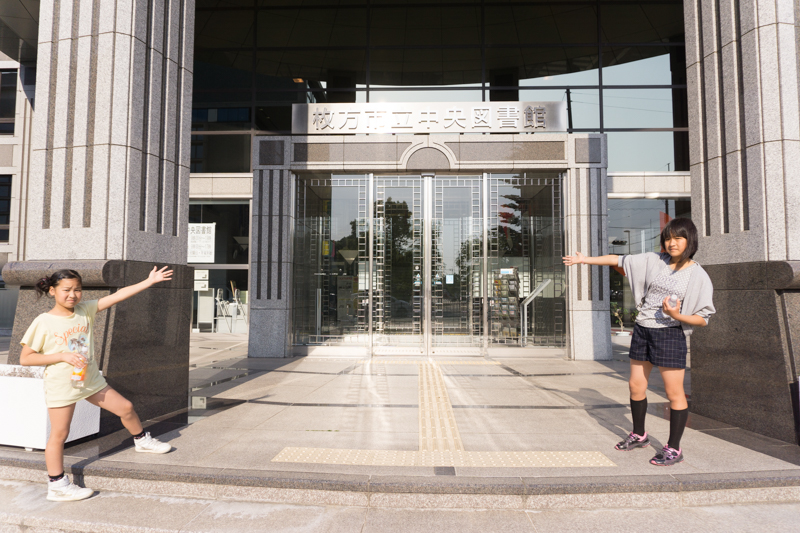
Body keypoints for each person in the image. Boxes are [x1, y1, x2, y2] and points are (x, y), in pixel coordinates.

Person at [563, 218, 714, 466]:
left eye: (678, 238)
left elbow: (703, 318)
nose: (672, 243)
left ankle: (674, 448)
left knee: (674, 392)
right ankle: (639, 434)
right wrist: (584, 260)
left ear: (690, 240)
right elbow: (618, 260)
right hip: (643, 330)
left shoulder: (698, 275)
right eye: (668, 238)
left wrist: (676, 315)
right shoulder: (655, 260)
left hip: (670, 333)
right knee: (635, 386)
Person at [20, 267, 175, 501]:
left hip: (89, 379)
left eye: (77, 289)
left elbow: (118, 296)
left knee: (126, 408)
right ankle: (57, 485)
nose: (73, 295)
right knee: (59, 435)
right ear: (52, 291)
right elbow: (26, 358)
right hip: (62, 385)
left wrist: (148, 281)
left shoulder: (85, 310)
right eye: (66, 290)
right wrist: (62, 356)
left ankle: (142, 441)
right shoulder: (43, 321)